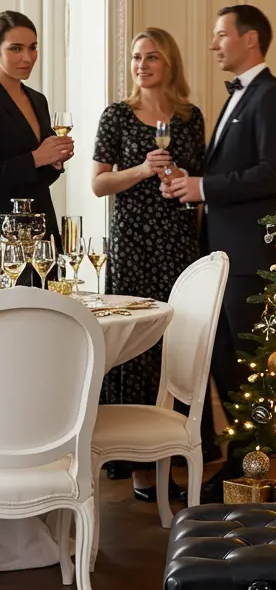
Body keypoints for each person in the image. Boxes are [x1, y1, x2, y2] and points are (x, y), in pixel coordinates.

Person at [167, 5, 276, 495]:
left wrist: (205, 188)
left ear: (251, 39)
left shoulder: (271, 95)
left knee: (243, 365)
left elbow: (275, 172)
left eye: (221, 35)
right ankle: (238, 469)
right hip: (225, 257)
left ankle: (246, 473)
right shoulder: (244, 96)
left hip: (249, 259)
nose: (214, 44)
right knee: (225, 364)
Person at [92, 28, 205, 501]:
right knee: (137, 339)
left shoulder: (189, 117)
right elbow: (99, 184)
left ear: (169, 63)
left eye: (151, 57)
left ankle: (171, 449)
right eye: (137, 57)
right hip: (134, 241)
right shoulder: (117, 115)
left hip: (176, 240)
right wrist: (142, 169)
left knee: (176, 339)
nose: (142, 65)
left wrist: (176, 178)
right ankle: (136, 462)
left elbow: (197, 185)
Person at [0, 10, 73, 244]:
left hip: (42, 227)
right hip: (4, 232)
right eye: (16, 48)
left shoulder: (37, 99)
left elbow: (39, 178)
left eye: (33, 47)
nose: (28, 58)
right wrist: (36, 158)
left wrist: (54, 160)